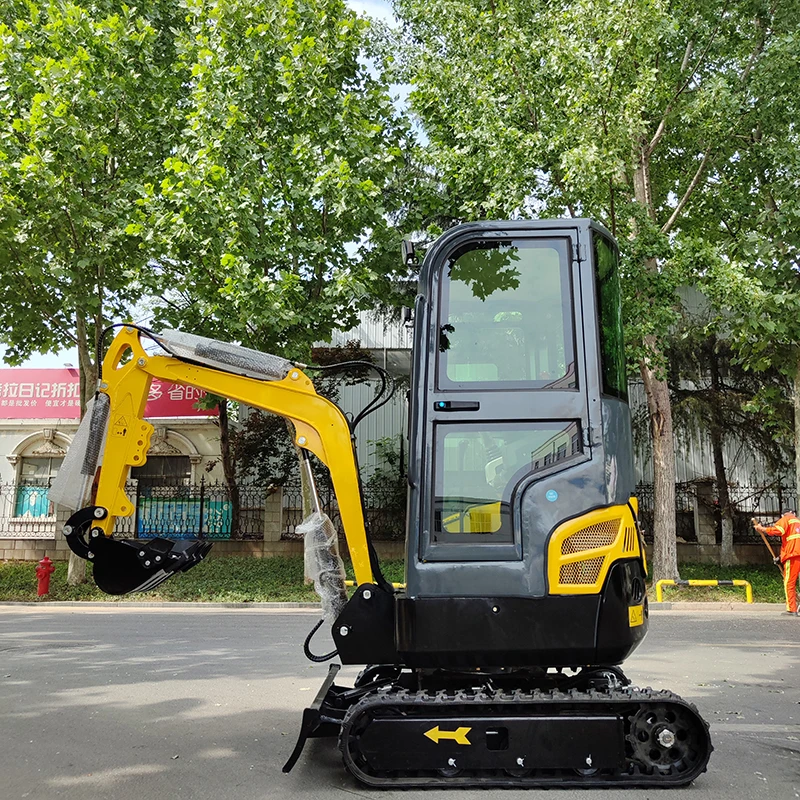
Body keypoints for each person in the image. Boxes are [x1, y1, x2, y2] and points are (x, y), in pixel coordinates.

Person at [753, 510, 800, 616]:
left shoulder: (786, 519)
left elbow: (778, 530)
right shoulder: (798, 522)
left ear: (783, 515)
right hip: (795, 553)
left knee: (789, 583)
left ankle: (792, 609)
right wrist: (780, 557)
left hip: (793, 555)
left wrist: (762, 529)